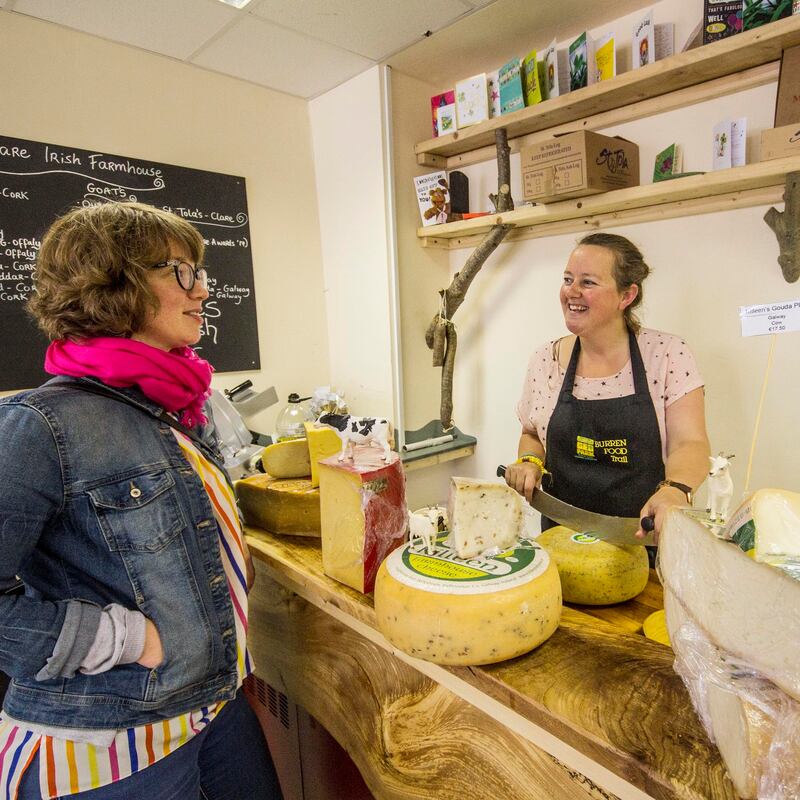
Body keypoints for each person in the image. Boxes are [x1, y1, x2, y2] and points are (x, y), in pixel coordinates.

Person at [0, 202, 282, 799]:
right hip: (111, 742)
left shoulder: (170, 407)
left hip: (211, 707)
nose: (203, 290)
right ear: (115, 284)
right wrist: (122, 639)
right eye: (181, 271)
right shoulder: (39, 425)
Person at [505, 232, 710, 540]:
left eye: (587, 282)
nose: (571, 291)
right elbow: (532, 432)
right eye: (567, 279)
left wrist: (676, 490)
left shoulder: (667, 355)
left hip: (644, 542)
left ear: (626, 296)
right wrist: (529, 461)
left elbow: (690, 443)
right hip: (562, 542)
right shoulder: (545, 360)